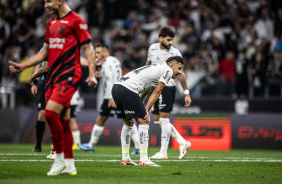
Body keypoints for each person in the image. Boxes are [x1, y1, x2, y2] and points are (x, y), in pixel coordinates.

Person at [9, 0, 98, 176]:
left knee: (49, 114)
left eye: (49, 1)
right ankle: (70, 165)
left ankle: (58, 159)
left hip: (70, 74)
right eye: (44, 2)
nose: (45, 5)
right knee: (64, 122)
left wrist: (92, 74)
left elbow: (88, 48)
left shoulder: (77, 21)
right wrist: (23, 66)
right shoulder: (51, 24)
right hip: (53, 77)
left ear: (60, 1)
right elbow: (44, 53)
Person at [112, 56, 184, 167]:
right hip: (128, 89)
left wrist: (141, 109)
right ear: (171, 65)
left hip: (117, 88)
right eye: (179, 68)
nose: (180, 72)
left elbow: (146, 92)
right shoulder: (167, 70)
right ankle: (144, 159)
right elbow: (158, 90)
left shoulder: (155, 69)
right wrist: (145, 111)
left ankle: (125, 158)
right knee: (144, 121)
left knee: (128, 122)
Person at [78, 44, 140, 154]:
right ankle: (91, 145)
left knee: (127, 120)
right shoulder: (113, 61)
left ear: (105, 52)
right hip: (114, 95)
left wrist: (113, 97)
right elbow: (114, 75)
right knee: (103, 119)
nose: (96, 55)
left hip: (113, 96)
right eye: (95, 52)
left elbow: (113, 78)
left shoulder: (107, 62)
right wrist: (101, 74)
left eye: (98, 52)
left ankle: (138, 146)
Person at [145, 27, 192, 160]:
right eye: (168, 39)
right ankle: (183, 142)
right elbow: (147, 65)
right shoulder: (152, 49)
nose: (171, 42)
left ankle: (163, 152)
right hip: (155, 88)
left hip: (168, 87)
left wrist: (186, 92)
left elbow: (180, 73)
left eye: (172, 40)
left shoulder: (175, 52)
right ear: (161, 38)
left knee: (164, 120)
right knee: (158, 121)